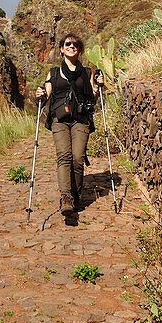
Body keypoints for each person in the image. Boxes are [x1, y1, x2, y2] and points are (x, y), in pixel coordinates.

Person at [35, 34, 104, 222]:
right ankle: (66, 198)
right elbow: (46, 94)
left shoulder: (88, 73)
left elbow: (93, 98)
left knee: (77, 158)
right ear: (61, 49)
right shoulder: (54, 72)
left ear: (79, 49)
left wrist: (98, 88)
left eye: (75, 44)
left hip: (81, 119)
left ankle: (76, 194)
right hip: (60, 120)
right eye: (67, 44)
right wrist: (40, 95)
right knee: (64, 156)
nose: (71, 46)